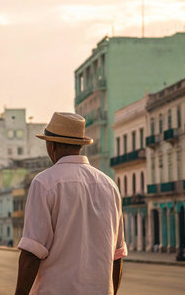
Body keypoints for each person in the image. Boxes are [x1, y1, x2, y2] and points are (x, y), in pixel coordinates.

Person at [15, 112, 127, 295]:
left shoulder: (45, 183)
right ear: (80, 145)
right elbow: (117, 256)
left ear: (52, 145)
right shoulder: (110, 186)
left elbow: (31, 254)